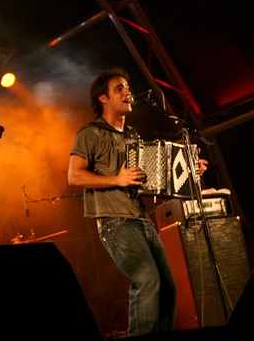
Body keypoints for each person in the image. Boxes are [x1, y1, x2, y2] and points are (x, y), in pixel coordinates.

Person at [67, 68, 208, 336]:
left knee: (168, 287)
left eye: (127, 87)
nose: (127, 92)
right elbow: (74, 176)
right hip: (115, 222)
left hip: (141, 220)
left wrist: (190, 171)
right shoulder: (91, 133)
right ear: (103, 98)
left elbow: (154, 182)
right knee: (147, 280)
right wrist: (116, 180)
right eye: (119, 88)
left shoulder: (132, 136)